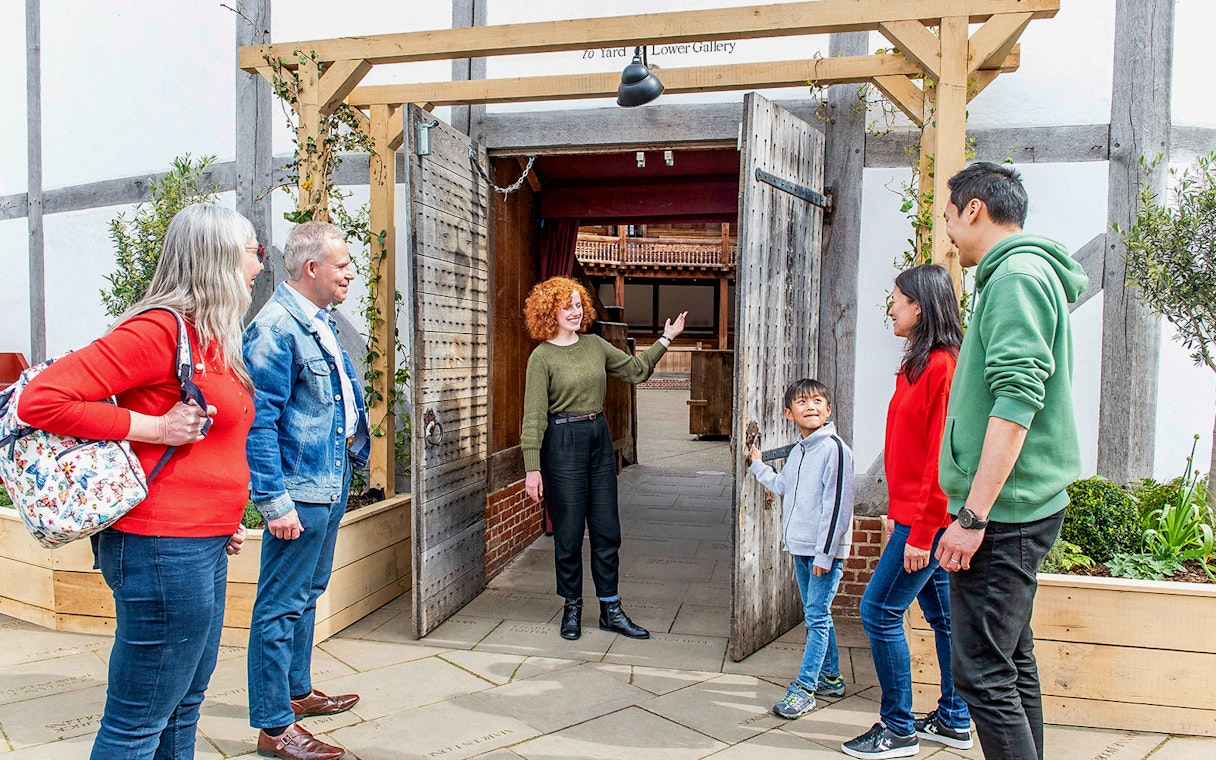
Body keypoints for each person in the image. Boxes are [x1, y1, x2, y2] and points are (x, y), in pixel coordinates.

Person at [18, 204, 261, 759]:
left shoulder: (212, 337)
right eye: (252, 250)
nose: (258, 264)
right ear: (218, 257)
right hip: (158, 546)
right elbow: (42, 400)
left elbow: (216, 447)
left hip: (200, 544)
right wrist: (155, 426)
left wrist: (222, 521)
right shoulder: (158, 329)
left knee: (183, 704)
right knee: (139, 718)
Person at [934, 162, 1087, 760]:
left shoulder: (1016, 277)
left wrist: (972, 518)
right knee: (1010, 661)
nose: (947, 230)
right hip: (1017, 507)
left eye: (948, 216)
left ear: (974, 209)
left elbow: (1017, 399)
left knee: (981, 674)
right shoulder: (1022, 272)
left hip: (1004, 515)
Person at [244, 221, 371, 760]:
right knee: (279, 606)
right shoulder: (275, 328)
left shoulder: (318, 321)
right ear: (311, 268)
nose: (350, 273)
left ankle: (297, 694)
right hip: (298, 491)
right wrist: (274, 501)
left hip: (329, 480)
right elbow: (259, 423)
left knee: (307, 594)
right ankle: (275, 726)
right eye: (341, 265)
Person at [842, 264, 972, 759]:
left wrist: (920, 530)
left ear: (920, 305)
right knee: (943, 619)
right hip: (915, 517)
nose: (891, 308)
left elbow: (944, 456)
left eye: (896, 299)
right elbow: (908, 447)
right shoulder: (917, 363)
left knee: (877, 611)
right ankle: (955, 718)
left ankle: (897, 728)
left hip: (929, 524)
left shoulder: (944, 365)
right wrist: (901, 514)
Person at [521, 276, 686, 641]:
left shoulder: (595, 345)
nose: (575, 312)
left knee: (606, 528)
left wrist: (667, 338)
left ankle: (611, 608)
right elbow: (533, 417)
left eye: (579, 305)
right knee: (567, 533)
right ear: (551, 312)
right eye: (567, 306)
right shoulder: (541, 358)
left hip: (597, 436)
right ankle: (572, 608)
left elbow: (636, 371)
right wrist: (533, 468)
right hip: (562, 442)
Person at [746, 379, 854, 721]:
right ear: (789, 412)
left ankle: (805, 689)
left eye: (818, 401)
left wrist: (825, 555)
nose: (811, 407)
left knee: (817, 618)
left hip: (823, 553)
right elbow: (782, 486)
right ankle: (832, 678)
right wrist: (756, 464)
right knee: (816, 614)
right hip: (801, 548)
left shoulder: (835, 450)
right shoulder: (799, 451)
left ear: (829, 409)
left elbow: (838, 507)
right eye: (802, 402)